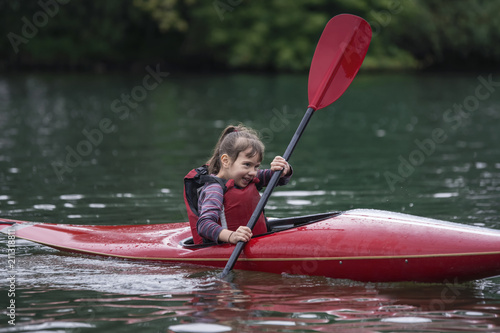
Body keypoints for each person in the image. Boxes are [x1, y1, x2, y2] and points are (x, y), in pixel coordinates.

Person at [184, 124, 292, 245]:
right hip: (229, 246)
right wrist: (232, 236)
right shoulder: (215, 189)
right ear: (226, 161)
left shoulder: (248, 177)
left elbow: (277, 179)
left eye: (256, 166)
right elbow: (204, 225)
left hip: (259, 241)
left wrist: (283, 170)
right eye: (247, 164)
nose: (252, 172)